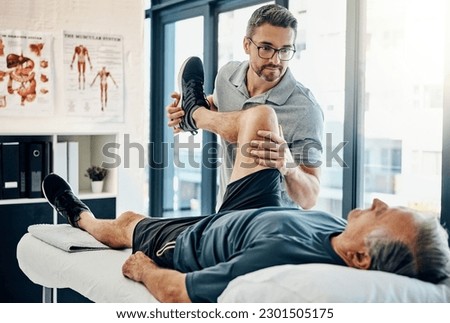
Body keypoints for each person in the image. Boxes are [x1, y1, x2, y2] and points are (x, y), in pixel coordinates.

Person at [42, 69, 450, 302]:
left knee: (127, 222)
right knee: (261, 119)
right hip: (255, 210)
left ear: (362, 258)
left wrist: (146, 269)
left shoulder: (277, 262)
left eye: (384, 213)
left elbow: (178, 292)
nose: (378, 200)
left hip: (201, 241)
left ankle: (79, 215)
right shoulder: (339, 233)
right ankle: (196, 112)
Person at [167, 4, 323, 210]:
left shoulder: (305, 109)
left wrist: (289, 167)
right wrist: (184, 113)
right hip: (225, 213)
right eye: (266, 48)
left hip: (271, 227)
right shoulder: (226, 76)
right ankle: (195, 114)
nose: (276, 60)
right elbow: (218, 105)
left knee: (261, 117)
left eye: (285, 50)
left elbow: (310, 199)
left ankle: (197, 115)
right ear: (246, 45)